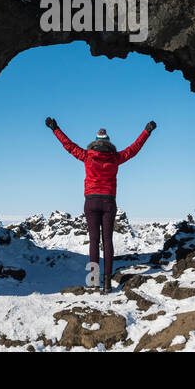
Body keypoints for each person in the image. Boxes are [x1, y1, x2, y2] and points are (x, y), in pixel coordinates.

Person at [45, 117, 156, 293]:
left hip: (91, 201)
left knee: (94, 242)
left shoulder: (87, 156)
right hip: (109, 202)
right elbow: (134, 149)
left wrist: (55, 128)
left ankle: (94, 282)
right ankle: (106, 283)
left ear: (96, 142)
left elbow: (69, 145)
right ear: (108, 143)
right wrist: (147, 131)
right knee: (108, 241)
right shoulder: (116, 158)